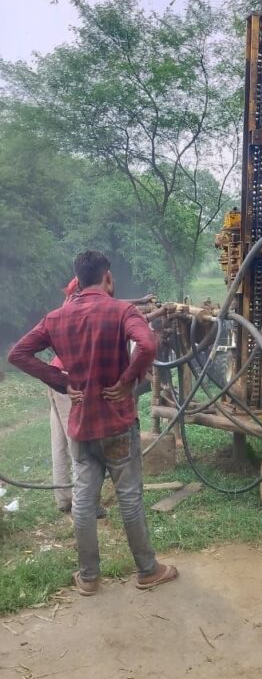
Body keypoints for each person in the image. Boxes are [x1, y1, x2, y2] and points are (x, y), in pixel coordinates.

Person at [8, 250, 178, 597]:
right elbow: (147, 343)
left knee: (84, 501)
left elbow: (18, 354)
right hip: (117, 424)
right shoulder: (121, 311)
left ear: (78, 280)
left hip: (82, 426)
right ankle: (148, 571)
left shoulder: (55, 318)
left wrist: (61, 381)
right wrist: (129, 379)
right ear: (108, 277)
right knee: (129, 498)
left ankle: (88, 578)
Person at [48, 277, 106, 520]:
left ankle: (64, 498)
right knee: (78, 442)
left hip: (56, 375)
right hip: (70, 380)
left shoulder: (67, 307)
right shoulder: (85, 308)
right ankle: (85, 502)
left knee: (60, 439)